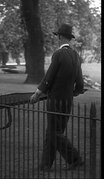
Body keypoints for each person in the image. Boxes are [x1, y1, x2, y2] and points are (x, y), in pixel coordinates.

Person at [30, 24, 85, 171]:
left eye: (57, 36)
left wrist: (37, 93)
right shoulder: (76, 56)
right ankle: (46, 165)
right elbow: (80, 83)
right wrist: (74, 92)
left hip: (55, 101)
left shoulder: (58, 54)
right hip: (68, 101)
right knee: (53, 132)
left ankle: (75, 158)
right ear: (70, 38)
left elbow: (49, 77)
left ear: (60, 37)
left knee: (55, 133)